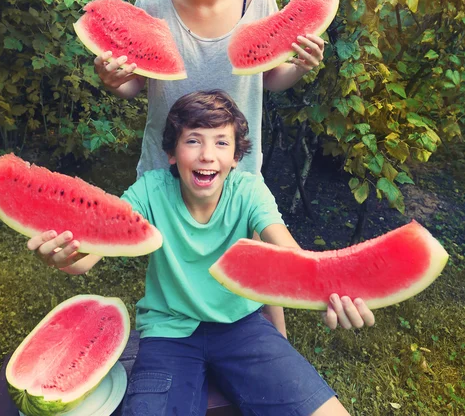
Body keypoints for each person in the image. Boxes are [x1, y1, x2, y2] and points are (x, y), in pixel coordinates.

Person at [28, 90, 375, 416]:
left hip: (243, 328)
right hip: (167, 333)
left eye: (221, 143)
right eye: (193, 140)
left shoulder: (249, 191)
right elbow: (91, 252)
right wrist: (65, 256)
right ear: (171, 153)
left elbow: (287, 253)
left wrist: (329, 292)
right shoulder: (150, 190)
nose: (207, 154)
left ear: (236, 158)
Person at [93, 0, 326, 179]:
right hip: (163, 172)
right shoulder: (153, 0)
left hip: (235, 175)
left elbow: (268, 77)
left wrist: (300, 67)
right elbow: (136, 83)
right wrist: (113, 81)